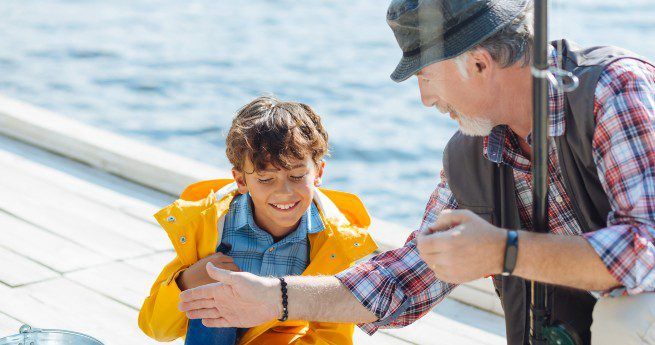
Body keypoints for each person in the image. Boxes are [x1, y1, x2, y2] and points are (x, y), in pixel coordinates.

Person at [177, 1, 655, 344]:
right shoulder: (469, 155)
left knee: (626, 317)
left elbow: (647, 250)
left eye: (424, 76)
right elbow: (406, 276)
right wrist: (276, 298)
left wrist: (504, 251)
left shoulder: (614, 90)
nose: (425, 99)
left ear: (479, 62)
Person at [138, 95, 377, 344]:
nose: (284, 192)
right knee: (211, 302)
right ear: (241, 180)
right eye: (265, 179)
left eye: (297, 176)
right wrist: (186, 282)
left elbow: (332, 337)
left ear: (318, 172)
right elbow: (155, 327)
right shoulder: (209, 226)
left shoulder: (335, 244)